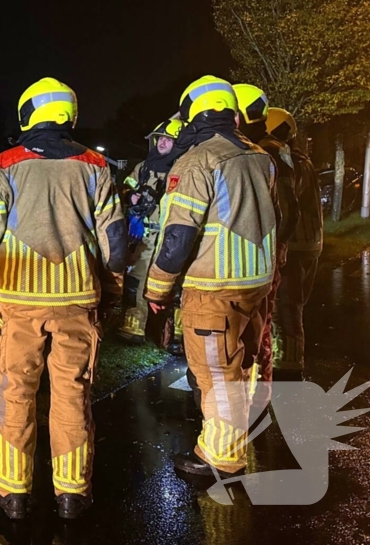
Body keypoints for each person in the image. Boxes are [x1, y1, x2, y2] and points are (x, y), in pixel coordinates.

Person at [0, 78, 127, 519]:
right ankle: (71, 494)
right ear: (69, 114)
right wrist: (110, 294)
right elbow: (116, 245)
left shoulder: (6, 165)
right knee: (72, 394)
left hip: (17, 304)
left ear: (28, 115)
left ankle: (14, 494)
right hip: (77, 302)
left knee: (15, 392)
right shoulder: (96, 166)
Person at [144, 75, 277, 479]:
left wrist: (157, 290)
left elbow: (177, 238)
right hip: (256, 280)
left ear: (192, 114)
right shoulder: (260, 156)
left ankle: (220, 458)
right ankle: (236, 435)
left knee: (217, 374)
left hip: (214, 285)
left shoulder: (198, 160)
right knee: (241, 363)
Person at [232, 84, 299, 411]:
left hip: (260, 260)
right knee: (258, 324)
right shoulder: (267, 150)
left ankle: (254, 397)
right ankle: (254, 391)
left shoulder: (264, 153)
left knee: (258, 327)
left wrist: (271, 246)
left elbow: (287, 211)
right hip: (263, 257)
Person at [267, 108, 322, 378]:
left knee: (285, 308)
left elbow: (283, 203)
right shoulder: (302, 159)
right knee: (293, 304)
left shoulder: (286, 160)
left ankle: (288, 367)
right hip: (309, 243)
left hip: (293, 244)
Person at [119, 117, 183, 345]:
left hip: (172, 238)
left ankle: (177, 334)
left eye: (168, 139)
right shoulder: (143, 168)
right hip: (144, 236)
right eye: (160, 139)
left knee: (174, 285)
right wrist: (130, 196)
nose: (162, 143)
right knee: (136, 281)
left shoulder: (184, 169)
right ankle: (133, 327)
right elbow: (126, 187)